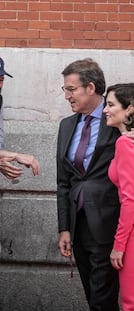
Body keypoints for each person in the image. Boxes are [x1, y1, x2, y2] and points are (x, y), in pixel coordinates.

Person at [56, 58, 120, 311]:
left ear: (90, 88)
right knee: (92, 294)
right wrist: (64, 229)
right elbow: (63, 182)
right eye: (66, 90)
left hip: (108, 223)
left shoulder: (115, 118)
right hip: (77, 223)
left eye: (71, 90)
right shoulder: (66, 125)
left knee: (103, 296)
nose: (67, 96)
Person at [103, 83, 134, 310]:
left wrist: (119, 245)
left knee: (129, 302)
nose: (105, 109)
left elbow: (130, 200)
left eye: (111, 104)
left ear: (130, 109)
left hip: (131, 237)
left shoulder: (125, 143)